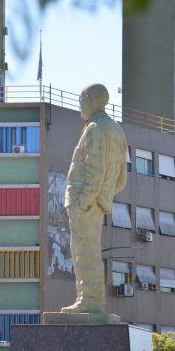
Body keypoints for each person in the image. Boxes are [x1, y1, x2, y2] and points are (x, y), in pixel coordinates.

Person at [63, 83, 127, 314]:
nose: (80, 105)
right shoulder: (116, 130)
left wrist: (85, 200)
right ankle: (89, 299)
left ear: (89, 100)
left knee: (84, 251)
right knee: (89, 250)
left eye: (81, 100)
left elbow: (95, 169)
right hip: (98, 202)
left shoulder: (95, 129)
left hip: (86, 202)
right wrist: (104, 196)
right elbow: (121, 178)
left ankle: (88, 300)